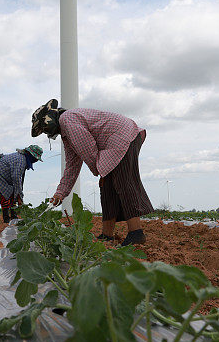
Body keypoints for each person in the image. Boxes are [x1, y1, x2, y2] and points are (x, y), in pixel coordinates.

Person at [31, 99, 154, 246]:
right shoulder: (67, 131)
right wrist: (60, 193)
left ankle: (136, 233)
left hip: (122, 136)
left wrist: (99, 170)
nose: (47, 133)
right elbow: (72, 166)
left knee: (123, 182)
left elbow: (88, 148)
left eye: (44, 130)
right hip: (112, 143)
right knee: (107, 188)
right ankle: (107, 235)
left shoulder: (68, 121)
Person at [0, 144, 43, 223]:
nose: (36, 161)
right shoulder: (21, 160)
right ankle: (6, 219)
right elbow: (16, 178)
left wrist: (18, 195)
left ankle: (14, 217)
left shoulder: (22, 157)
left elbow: (8, 159)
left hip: (6, 176)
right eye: (36, 159)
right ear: (31, 156)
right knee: (5, 196)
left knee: (13, 194)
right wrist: (19, 197)